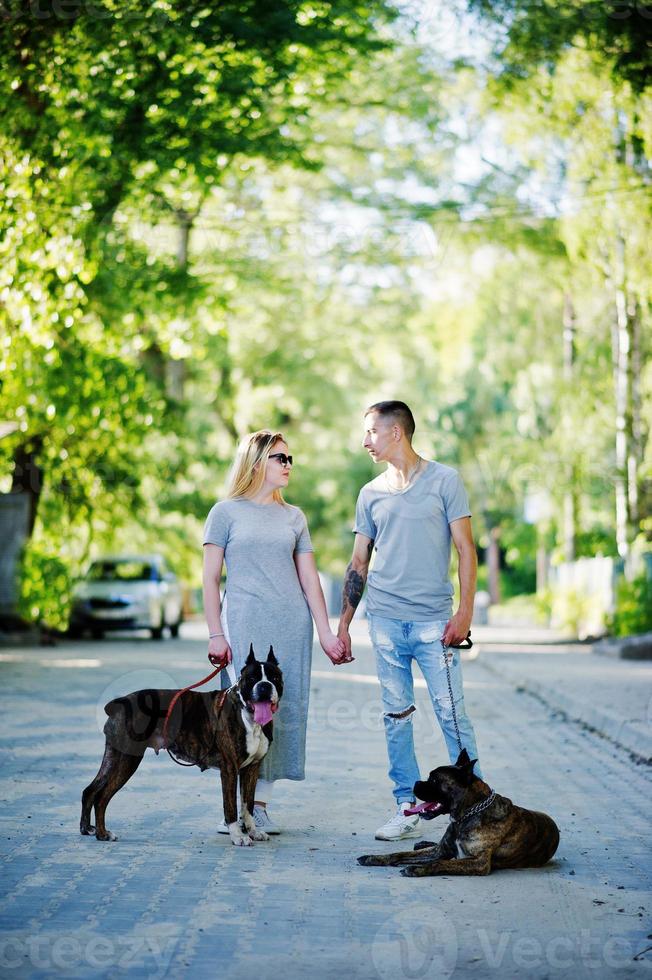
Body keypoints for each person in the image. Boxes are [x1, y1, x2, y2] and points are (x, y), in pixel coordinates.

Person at [337, 400, 482, 841]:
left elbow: (466, 550)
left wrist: (464, 613)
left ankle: (473, 807)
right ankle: (407, 805)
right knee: (396, 716)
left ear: (396, 432)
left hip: (434, 624)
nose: (365, 441)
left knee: (451, 715)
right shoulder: (370, 493)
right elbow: (359, 561)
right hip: (384, 623)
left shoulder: (445, 481)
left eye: (371, 432)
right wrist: (343, 625)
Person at [203, 429, 349, 834]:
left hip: (290, 624)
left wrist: (325, 631)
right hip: (244, 621)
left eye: (290, 460)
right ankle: (234, 808)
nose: (288, 466)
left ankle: (258, 803)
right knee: (243, 712)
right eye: (279, 458)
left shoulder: (294, 517)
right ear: (256, 462)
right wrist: (216, 633)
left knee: (281, 712)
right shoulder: (224, 512)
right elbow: (210, 579)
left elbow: (309, 580)